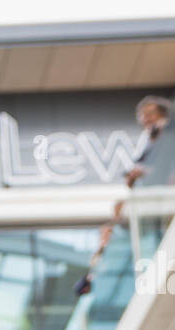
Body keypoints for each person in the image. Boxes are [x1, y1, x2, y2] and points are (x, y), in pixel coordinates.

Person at [73, 94, 172, 296]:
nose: (146, 119)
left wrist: (143, 173)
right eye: (142, 115)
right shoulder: (150, 145)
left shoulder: (168, 137)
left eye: (150, 114)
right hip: (154, 210)